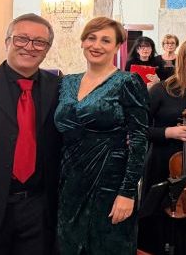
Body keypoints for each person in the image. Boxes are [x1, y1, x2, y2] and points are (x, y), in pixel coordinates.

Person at [55, 17, 149, 254]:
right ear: (82, 42)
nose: (96, 45)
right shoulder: (66, 82)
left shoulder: (128, 81)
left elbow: (139, 139)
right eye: (91, 38)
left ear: (118, 47)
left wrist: (127, 193)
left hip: (110, 186)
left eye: (106, 40)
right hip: (69, 185)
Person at [0, 14, 61, 255]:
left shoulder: (60, 90)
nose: (29, 47)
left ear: (47, 49)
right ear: (7, 41)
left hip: (39, 211)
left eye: (39, 42)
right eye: (21, 39)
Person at [138, 40, 186, 255]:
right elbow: (137, 129)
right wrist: (167, 132)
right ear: (182, 58)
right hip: (162, 168)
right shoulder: (161, 90)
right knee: (161, 231)